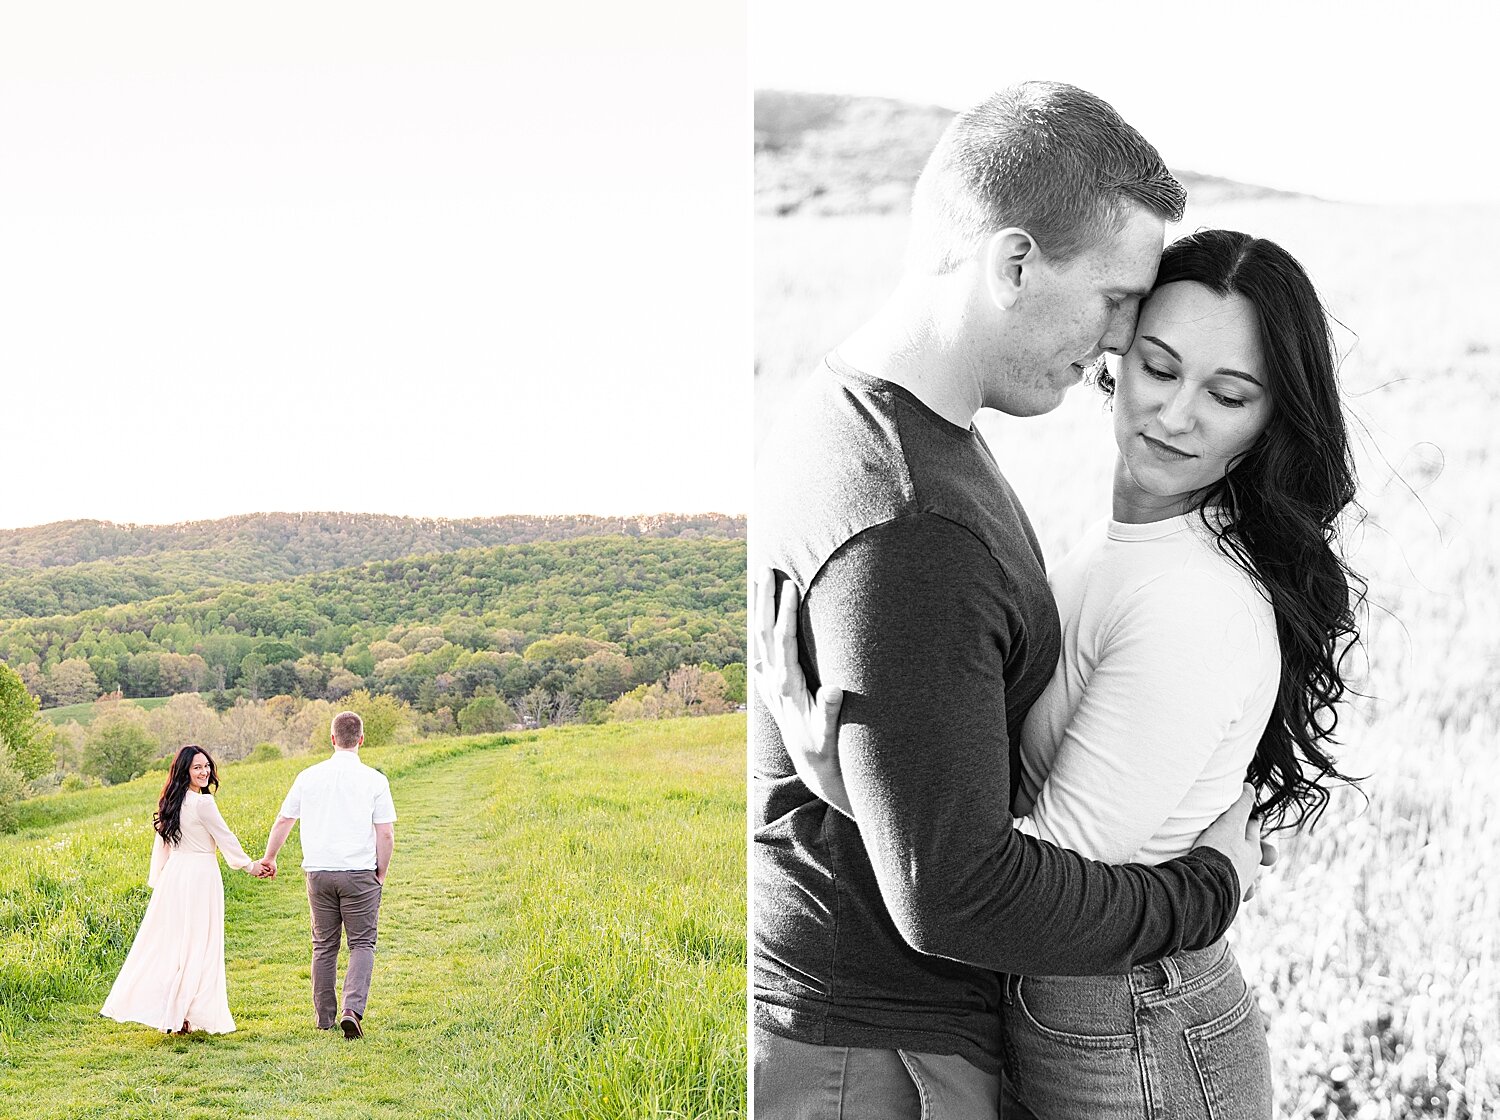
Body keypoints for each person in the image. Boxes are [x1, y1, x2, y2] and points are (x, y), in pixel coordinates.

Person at [751, 81, 1272, 1118]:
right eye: (1119, 299)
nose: (1120, 344)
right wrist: (1207, 890)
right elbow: (956, 893)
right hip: (876, 1056)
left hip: (872, 1031)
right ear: (1016, 262)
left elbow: (935, 789)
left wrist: (859, 784)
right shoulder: (911, 517)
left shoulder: (866, 414)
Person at [101, 745, 272, 1035]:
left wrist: (159, 881)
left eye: (206, 766)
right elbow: (225, 838)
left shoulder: (171, 802)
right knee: (198, 945)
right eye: (197, 767)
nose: (204, 772)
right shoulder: (203, 803)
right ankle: (180, 1014)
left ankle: (178, 1014)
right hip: (199, 876)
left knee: (176, 945)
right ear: (185, 772)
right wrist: (250, 866)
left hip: (174, 877)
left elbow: (163, 846)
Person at [259, 710, 396, 1039]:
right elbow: (386, 834)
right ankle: (352, 1008)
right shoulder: (375, 781)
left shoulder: (308, 777)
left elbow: (284, 821)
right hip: (359, 871)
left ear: (332, 739)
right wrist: (381, 872)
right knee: (362, 943)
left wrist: (270, 858)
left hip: (319, 872)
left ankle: (324, 1018)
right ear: (361, 740)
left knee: (323, 944)